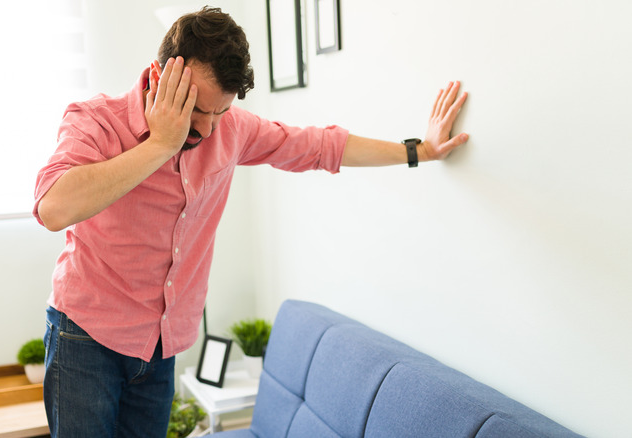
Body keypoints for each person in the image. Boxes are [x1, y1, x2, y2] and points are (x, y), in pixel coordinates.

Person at [33, 6, 468, 438]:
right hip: (86, 337)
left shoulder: (231, 130)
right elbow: (54, 207)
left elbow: (319, 147)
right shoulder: (96, 120)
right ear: (160, 74)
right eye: (194, 109)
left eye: (218, 112)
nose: (204, 129)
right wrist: (161, 144)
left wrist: (420, 151)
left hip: (160, 345)